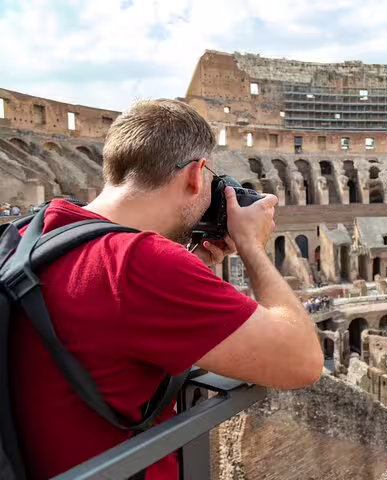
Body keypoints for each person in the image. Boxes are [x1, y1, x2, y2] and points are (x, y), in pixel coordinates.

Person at [10, 99, 323, 480]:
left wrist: (192, 265)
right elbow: (302, 362)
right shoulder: (140, 263)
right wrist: (251, 246)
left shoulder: (36, 230)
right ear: (196, 174)